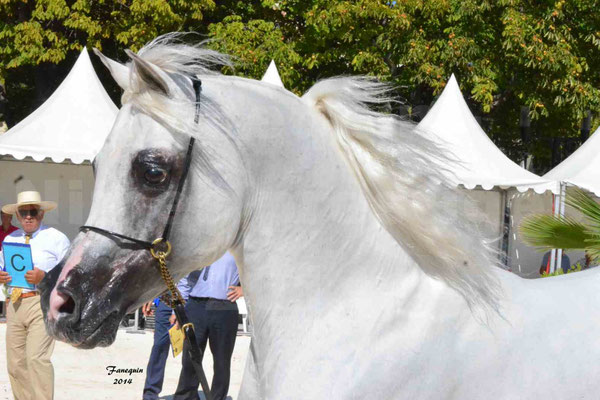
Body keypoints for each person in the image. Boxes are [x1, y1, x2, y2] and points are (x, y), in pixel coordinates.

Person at [0, 191, 70, 400]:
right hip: (15, 303)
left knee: (36, 359)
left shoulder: (56, 238)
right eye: (24, 212)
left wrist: (45, 276)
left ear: (41, 214)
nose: (28, 216)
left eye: (33, 212)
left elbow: (69, 274)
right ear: (18, 216)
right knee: (15, 363)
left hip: (42, 302)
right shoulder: (10, 238)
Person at [174, 252, 243, 400]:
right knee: (190, 357)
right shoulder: (202, 246)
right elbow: (185, 278)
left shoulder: (236, 246)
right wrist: (179, 308)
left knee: (222, 360)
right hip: (195, 304)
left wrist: (243, 289)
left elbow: (254, 270)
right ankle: (186, 397)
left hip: (224, 305)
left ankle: (218, 397)